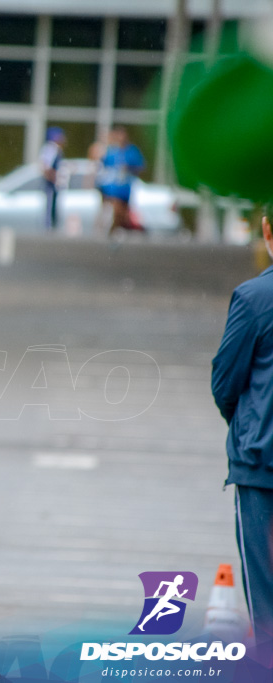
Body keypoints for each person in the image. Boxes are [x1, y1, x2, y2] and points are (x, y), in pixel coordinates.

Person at [211, 207, 273, 667]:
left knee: (265, 596)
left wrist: (249, 423)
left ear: (267, 231)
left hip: (262, 464)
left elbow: (225, 380)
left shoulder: (255, 297)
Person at [96, 126, 145, 236]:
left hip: (125, 188)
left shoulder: (132, 151)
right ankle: (108, 232)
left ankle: (116, 230)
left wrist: (129, 168)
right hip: (113, 188)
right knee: (116, 209)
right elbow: (103, 167)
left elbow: (140, 166)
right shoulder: (112, 151)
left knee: (123, 213)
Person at [39, 127, 65, 231]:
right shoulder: (51, 148)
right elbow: (45, 166)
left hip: (54, 182)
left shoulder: (55, 149)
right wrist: (53, 177)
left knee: (53, 204)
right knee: (50, 205)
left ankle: (51, 225)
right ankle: (49, 227)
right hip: (51, 183)